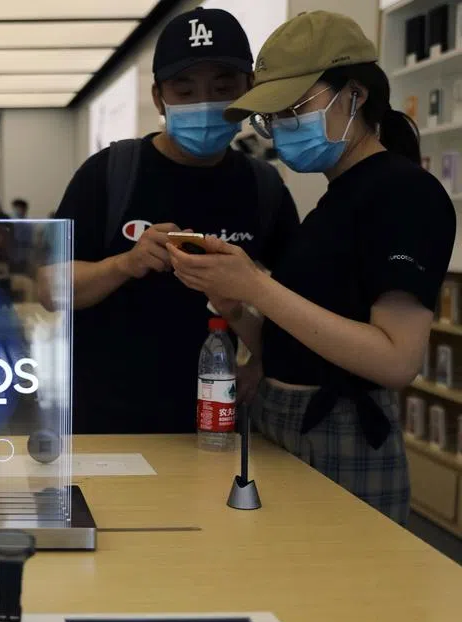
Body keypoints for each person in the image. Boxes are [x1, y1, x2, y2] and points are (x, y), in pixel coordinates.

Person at [169, 11, 456, 525]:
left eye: (294, 108)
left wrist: (257, 286)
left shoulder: (405, 194)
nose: (281, 127)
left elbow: (396, 361)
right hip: (285, 424)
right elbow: (296, 346)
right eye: (272, 116)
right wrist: (235, 305)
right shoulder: (337, 199)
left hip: (341, 434)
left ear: (355, 94)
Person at [49, 7, 300, 435]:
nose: (204, 104)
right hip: (103, 423)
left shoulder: (263, 187)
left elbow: (298, 306)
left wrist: (262, 362)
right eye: (184, 90)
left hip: (214, 422)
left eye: (223, 88)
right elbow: (48, 287)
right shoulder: (110, 174)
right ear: (158, 98)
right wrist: (125, 263)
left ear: (249, 90)